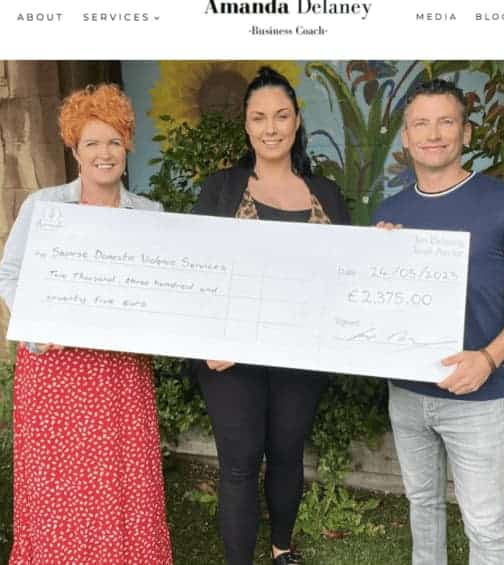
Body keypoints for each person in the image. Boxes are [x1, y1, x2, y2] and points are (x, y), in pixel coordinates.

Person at [373, 79, 504, 565]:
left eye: (446, 121)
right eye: (421, 124)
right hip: (408, 395)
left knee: (487, 529)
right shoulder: (391, 213)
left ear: (466, 133)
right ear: (406, 138)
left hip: (476, 398)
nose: (433, 133)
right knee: (423, 510)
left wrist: (489, 358)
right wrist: (379, 257)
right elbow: (381, 305)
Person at [0, 83, 173, 564]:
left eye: (114, 140)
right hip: (56, 374)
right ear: (74, 148)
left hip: (119, 372)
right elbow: (7, 275)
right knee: (60, 491)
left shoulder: (150, 215)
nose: (104, 152)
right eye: (92, 142)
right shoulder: (44, 206)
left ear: (127, 146)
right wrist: (35, 329)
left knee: (121, 483)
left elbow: (161, 289)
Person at [189, 66, 351, 565]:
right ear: (246, 126)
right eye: (259, 117)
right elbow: (195, 269)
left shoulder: (325, 193)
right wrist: (205, 342)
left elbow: (347, 271)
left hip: (301, 353)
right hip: (230, 357)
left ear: (297, 121)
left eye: (281, 115)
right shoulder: (221, 188)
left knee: (287, 454)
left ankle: (282, 550)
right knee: (239, 465)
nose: (271, 127)